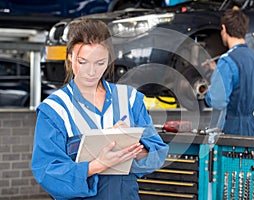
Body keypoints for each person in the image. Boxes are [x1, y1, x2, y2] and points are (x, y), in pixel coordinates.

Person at [31, 19, 169, 199]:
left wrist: (129, 145)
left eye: (99, 63)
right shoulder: (55, 109)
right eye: (83, 62)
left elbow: (157, 153)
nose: (91, 72)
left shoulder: (129, 99)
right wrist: (97, 164)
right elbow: (47, 171)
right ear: (70, 56)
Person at [204, 8, 254, 136]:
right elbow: (242, 80)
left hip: (231, 130)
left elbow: (217, 100)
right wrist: (218, 71)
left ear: (224, 29)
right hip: (251, 128)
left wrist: (210, 90)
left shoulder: (227, 61)